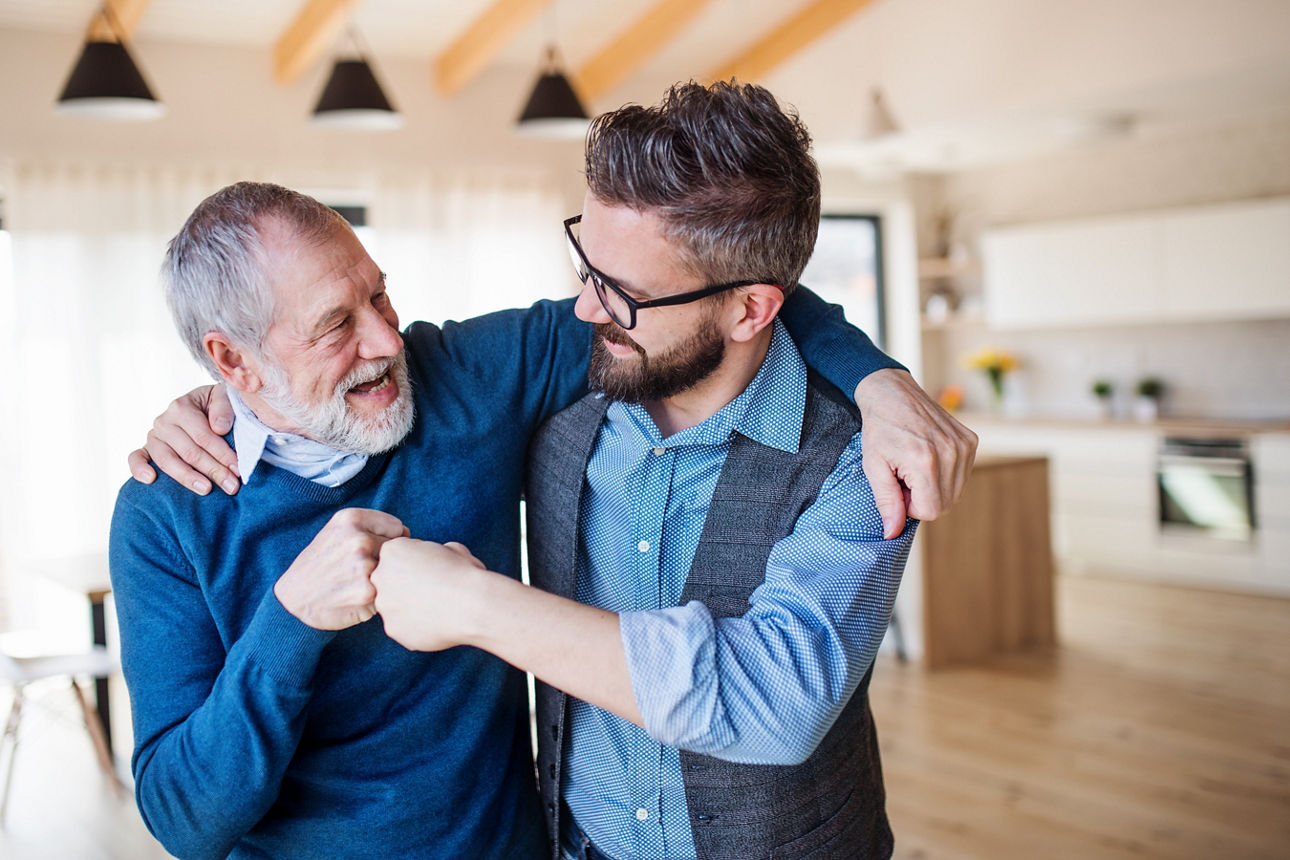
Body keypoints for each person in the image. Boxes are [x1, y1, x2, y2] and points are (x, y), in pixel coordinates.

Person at [115, 177, 973, 856]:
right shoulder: (166, 513)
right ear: (233, 361)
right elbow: (185, 821)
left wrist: (879, 381)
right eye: (336, 325)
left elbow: (721, 303)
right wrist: (291, 618)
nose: (386, 341)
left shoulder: (468, 374)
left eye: (380, 297)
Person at [370, 81, 920, 860]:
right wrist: (224, 404)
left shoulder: (859, 455)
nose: (588, 311)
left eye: (625, 293)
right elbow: (349, 384)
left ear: (750, 310)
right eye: (586, 269)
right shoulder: (555, 394)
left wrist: (476, 606)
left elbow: (776, 702)